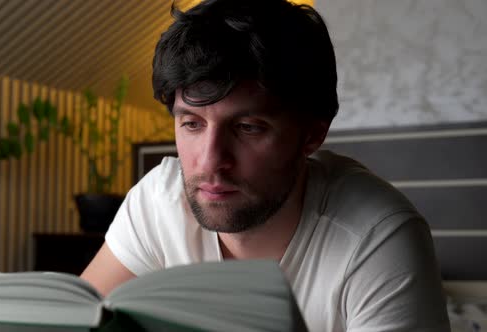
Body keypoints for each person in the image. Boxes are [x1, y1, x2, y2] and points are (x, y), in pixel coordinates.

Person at [81, 0, 450, 330]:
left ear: (311, 135)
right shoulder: (158, 203)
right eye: (192, 124)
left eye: (247, 128)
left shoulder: (377, 236)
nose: (211, 161)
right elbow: (76, 319)